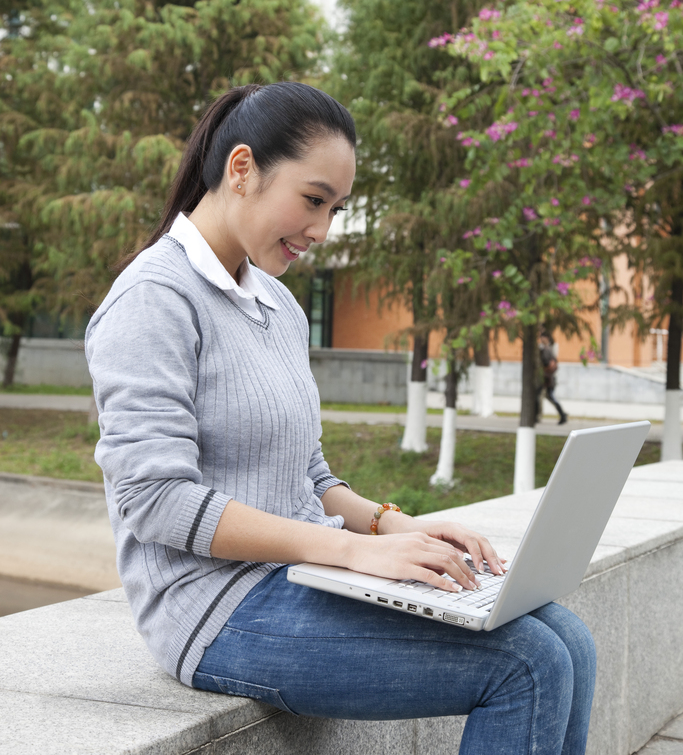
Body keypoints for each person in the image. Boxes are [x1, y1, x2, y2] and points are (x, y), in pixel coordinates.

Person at [86, 83, 595, 754]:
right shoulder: (153, 299)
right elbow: (153, 501)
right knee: (525, 662)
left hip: (303, 576)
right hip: (214, 609)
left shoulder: (275, 303)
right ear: (241, 169)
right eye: (312, 199)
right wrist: (356, 551)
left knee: (570, 644)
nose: (321, 230)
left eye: (335, 208)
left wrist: (396, 525)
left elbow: (309, 474)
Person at [537, 331, 568, 425]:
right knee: (545, 397)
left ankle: (562, 414)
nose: (541, 339)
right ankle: (562, 414)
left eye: (543, 337)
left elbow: (549, 364)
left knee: (546, 397)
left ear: (547, 338)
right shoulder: (547, 349)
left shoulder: (547, 350)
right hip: (546, 379)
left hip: (547, 380)